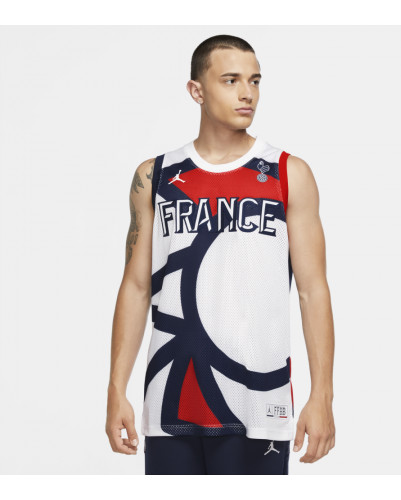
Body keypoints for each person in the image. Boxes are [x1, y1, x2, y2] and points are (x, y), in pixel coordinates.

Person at [105, 34, 336, 475]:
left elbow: (313, 291)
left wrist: (321, 395)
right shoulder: (155, 176)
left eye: (254, 80)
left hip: (257, 404)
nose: (247, 93)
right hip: (171, 397)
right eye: (231, 80)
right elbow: (135, 288)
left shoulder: (288, 173)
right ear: (197, 91)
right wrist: (117, 389)